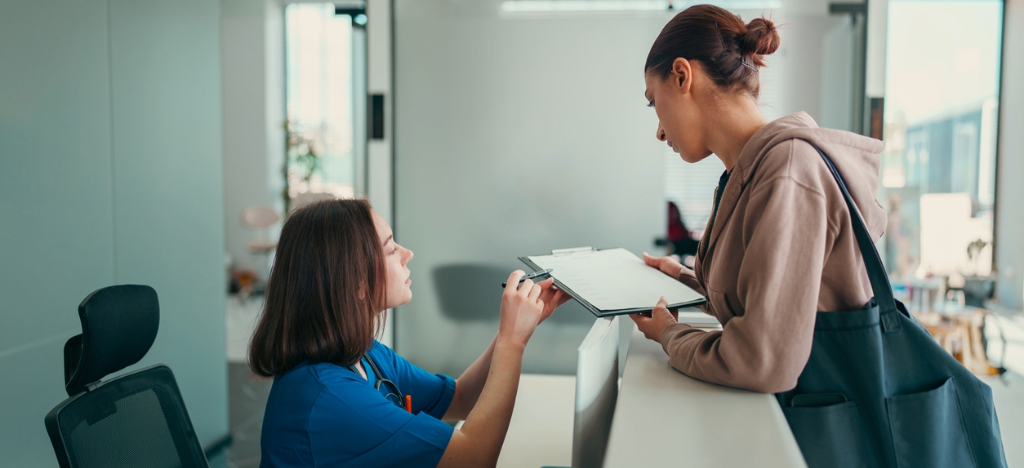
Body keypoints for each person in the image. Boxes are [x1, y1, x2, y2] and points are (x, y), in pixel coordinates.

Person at [630, 5, 1005, 468]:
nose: (659, 129)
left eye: (654, 100)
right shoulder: (745, 173)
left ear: (683, 76)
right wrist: (684, 279)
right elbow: (767, 302)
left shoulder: (787, 171)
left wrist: (672, 335)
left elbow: (764, 359)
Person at [249, 199, 570, 467]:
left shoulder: (365, 355)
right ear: (356, 282)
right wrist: (514, 343)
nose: (407, 254)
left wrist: (512, 330)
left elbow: (458, 399)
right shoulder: (328, 398)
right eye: (390, 250)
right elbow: (474, 460)